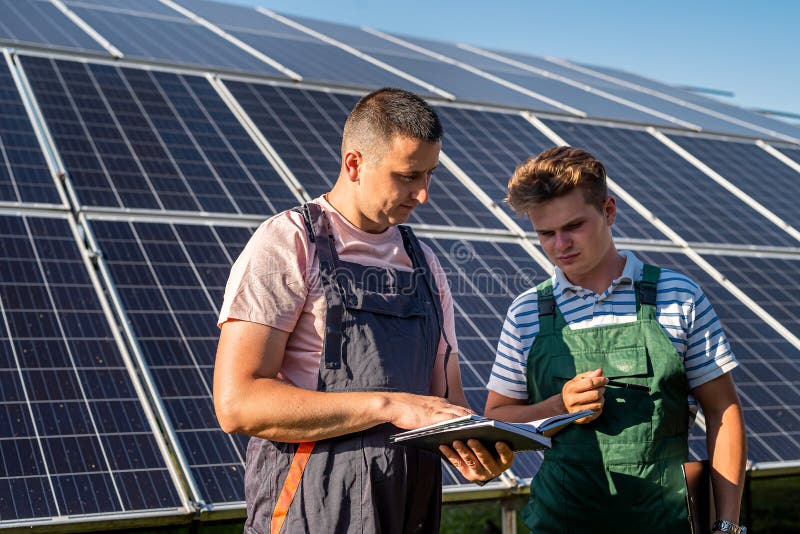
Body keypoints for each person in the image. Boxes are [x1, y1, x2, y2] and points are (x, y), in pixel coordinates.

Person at [214, 87, 513, 534]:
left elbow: (446, 403)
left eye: (430, 174)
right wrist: (387, 406)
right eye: (409, 176)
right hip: (310, 513)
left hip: (409, 512)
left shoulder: (426, 265)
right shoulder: (289, 244)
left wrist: (474, 454)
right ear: (354, 163)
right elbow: (237, 404)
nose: (424, 194)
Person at [485, 146, 747, 533]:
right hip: (560, 522)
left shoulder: (679, 295)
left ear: (609, 210)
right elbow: (498, 418)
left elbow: (723, 411)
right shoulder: (525, 312)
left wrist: (727, 525)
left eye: (573, 226)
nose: (560, 245)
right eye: (546, 233)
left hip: (668, 522)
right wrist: (559, 406)